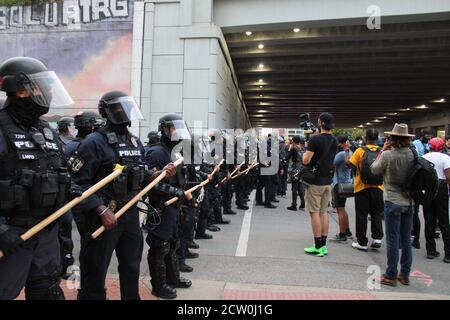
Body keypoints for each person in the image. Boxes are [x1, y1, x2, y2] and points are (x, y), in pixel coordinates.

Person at [69, 91, 176, 300]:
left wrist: (159, 174)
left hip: (130, 213)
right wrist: (100, 209)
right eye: (119, 108)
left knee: (131, 265)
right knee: (95, 269)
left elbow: (141, 174)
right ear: (106, 112)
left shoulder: (134, 142)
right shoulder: (94, 142)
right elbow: (76, 183)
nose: (125, 112)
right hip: (103, 215)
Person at [0, 57, 74, 299]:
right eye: (42, 85)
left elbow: (58, 174)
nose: (50, 91)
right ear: (20, 90)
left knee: (48, 293)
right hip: (12, 236)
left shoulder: (46, 131)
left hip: (46, 236)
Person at [144, 114, 193, 299]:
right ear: (164, 130)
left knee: (173, 243)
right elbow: (149, 183)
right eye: (174, 128)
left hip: (174, 206)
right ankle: (158, 285)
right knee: (159, 245)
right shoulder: (156, 152)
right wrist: (176, 192)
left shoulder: (176, 152)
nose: (178, 132)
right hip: (161, 206)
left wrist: (186, 191)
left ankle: (173, 279)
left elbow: (180, 180)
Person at [371, 123, 415, 286]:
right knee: (405, 240)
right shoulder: (413, 154)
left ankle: (390, 275)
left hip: (392, 200)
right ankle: (404, 274)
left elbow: (374, 169)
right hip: (409, 201)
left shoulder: (388, 155)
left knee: (392, 240)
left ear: (393, 139)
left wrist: (383, 149)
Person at [302, 113, 338, 257]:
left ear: (321, 122)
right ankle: (323, 245)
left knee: (314, 213)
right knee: (324, 212)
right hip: (328, 181)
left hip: (315, 182)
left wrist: (305, 152)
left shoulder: (314, 139)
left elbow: (306, 160)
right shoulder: (334, 140)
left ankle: (317, 245)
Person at [346, 128, 384, 251]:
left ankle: (362, 242)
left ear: (365, 138)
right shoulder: (382, 152)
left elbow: (349, 165)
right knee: (377, 214)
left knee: (361, 215)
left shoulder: (360, 151)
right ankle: (377, 238)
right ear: (377, 138)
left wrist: (347, 152)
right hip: (379, 187)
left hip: (361, 188)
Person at [422, 137, 450, 263]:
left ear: (430, 146)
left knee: (429, 220)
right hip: (441, 188)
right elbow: (448, 176)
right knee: (444, 221)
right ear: (443, 146)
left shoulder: (424, 157)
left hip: (427, 189)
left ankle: (431, 251)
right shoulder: (446, 158)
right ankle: (448, 254)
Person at [411, 130, 433, 248]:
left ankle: (415, 238)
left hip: (416, 184)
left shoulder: (426, 146)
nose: (428, 138)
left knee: (414, 212)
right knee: (414, 212)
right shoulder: (417, 145)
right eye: (426, 136)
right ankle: (414, 237)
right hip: (419, 182)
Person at [332, 136, 353, 241]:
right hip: (347, 183)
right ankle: (347, 230)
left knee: (340, 209)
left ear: (341, 143)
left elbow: (331, 164)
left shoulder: (341, 154)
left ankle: (342, 234)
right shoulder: (351, 153)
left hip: (339, 185)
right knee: (343, 209)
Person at [286, 135, 306, 211]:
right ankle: (303, 204)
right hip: (302, 169)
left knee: (294, 187)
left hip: (295, 169)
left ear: (293, 141)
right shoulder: (303, 148)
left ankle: (294, 205)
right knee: (300, 187)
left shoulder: (293, 148)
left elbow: (287, 157)